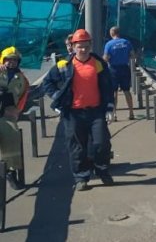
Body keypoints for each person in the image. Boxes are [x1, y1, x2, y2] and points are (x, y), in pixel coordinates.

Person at [42, 29, 115, 191]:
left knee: (101, 143)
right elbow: (47, 83)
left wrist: (110, 107)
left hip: (96, 111)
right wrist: (58, 100)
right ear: (73, 47)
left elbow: (108, 86)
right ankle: (81, 177)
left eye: (86, 46)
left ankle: (102, 171)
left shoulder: (98, 64)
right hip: (73, 113)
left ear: (90, 45)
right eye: (79, 46)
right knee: (77, 146)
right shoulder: (64, 65)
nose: (83, 49)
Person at [0, 47, 29, 190]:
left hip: (8, 115)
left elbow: (24, 96)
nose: (11, 63)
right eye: (8, 60)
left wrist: (17, 111)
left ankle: (10, 172)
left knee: (12, 138)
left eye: (14, 60)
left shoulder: (21, 78)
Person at [103, 26, 135, 120]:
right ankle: (131, 113)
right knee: (126, 91)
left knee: (114, 92)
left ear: (111, 34)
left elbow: (106, 58)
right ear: (119, 33)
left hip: (113, 69)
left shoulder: (109, 44)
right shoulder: (126, 42)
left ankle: (114, 114)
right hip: (125, 68)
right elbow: (132, 55)